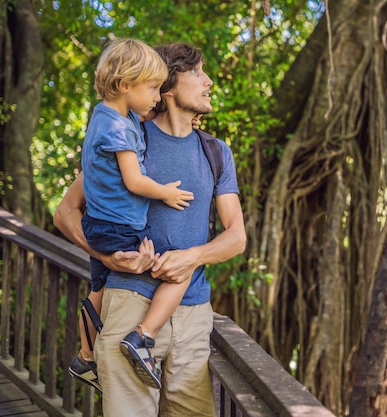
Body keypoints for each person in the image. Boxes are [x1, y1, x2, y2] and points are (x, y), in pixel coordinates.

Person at [54, 42, 246, 416]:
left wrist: (192, 258)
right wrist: (107, 256)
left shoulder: (217, 151)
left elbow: (236, 237)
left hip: (193, 316)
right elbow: (65, 213)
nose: (209, 81)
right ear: (170, 85)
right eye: (198, 72)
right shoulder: (128, 137)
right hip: (129, 303)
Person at [67, 38, 198, 393]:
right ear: (125, 85)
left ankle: (84, 356)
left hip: (97, 223)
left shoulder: (102, 115)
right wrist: (167, 193)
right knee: (180, 270)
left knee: (98, 287)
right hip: (118, 227)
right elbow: (134, 180)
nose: (157, 97)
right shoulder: (121, 128)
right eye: (153, 88)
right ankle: (143, 337)